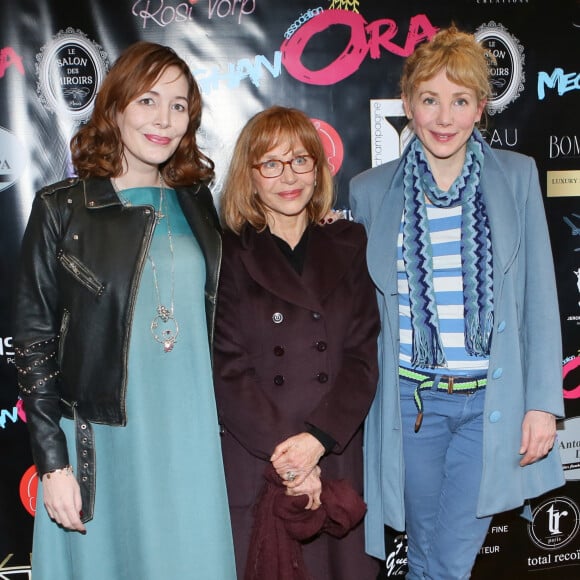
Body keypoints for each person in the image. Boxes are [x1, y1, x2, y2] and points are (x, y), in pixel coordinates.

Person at [13, 41, 236, 580]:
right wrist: (53, 462)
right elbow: (34, 344)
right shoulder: (61, 208)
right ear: (114, 107)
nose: (164, 119)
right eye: (148, 101)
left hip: (190, 433)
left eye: (179, 105)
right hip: (104, 439)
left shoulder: (197, 201)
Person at [350, 26, 565, 580]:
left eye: (460, 101)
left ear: (480, 108)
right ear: (408, 105)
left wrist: (542, 403)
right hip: (411, 410)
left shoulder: (516, 178)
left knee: (446, 560)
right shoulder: (370, 191)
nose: (444, 118)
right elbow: (354, 295)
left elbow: (541, 297)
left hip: (486, 410)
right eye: (430, 100)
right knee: (423, 552)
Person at [214, 106, 380, 580]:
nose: (288, 176)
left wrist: (317, 442)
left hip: (335, 448)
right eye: (271, 163)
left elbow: (361, 356)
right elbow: (227, 368)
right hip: (261, 457)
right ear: (250, 175)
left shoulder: (350, 242)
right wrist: (292, 460)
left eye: (301, 160)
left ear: (318, 169)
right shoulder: (225, 252)